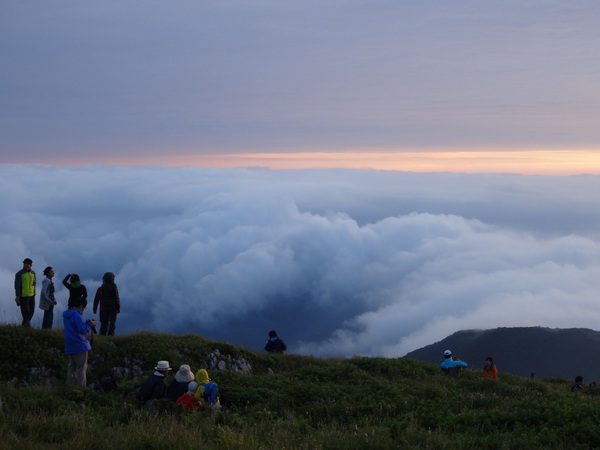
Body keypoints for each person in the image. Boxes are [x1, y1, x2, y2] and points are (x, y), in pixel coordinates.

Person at [63, 298, 97, 388]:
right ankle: (82, 389)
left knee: (71, 368)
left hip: (69, 345)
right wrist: (91, 324)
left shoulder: (66, 314)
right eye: (84, 307)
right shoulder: (77, 316)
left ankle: (69, 388)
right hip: (79, 345)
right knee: (81, 368)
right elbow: (82, 329)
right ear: (81, 306)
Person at [93, 272, 121, 336]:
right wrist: (118, 307)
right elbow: (116, 297)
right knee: (112, 322)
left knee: (104, 322)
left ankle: (102, 334)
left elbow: (96, 300)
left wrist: (94, 309)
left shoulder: (101, 288)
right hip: (113, 307)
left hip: (105, 307)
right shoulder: (114, 286)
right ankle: (111, 334)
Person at [15, 258, 36, 327]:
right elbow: (17, 286)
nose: (25, 265)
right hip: (24, 296)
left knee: (31, 311)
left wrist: (34, 292)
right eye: (24, 263)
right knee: (25, 312)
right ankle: (27, 327)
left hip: (32, 295)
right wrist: (18, 296)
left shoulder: (33, 273)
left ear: (30, 265)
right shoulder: (19, 274)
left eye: (27, 263)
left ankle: (24, 326)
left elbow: (34, 283)